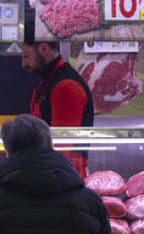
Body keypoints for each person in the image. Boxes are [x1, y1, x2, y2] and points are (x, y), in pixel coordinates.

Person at [20, 37, 94, 177]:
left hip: (63, 177)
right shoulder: (48, 81)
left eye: (26, 56)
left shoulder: (65, 86)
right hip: (49, 171)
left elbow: (62, 148)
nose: (23, 64)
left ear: (44, 49)